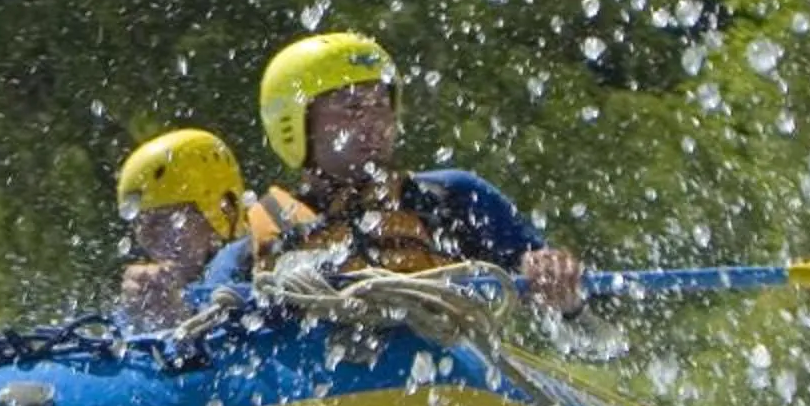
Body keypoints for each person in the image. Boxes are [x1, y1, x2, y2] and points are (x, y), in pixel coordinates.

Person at [199, 30, 586, 310]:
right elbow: (197, 340)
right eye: (351, 108)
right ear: (296, 123)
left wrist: (564, 296)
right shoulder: (250, 246)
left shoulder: (452, 199)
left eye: (381, 104)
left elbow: (594, 338)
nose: (373, 122)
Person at [113, 127, 261, 328]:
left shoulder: (254, 275)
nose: (148, 236)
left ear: (223, 212)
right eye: (140, 224)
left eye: (163, 221)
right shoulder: (148, 296)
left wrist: (179, 319)